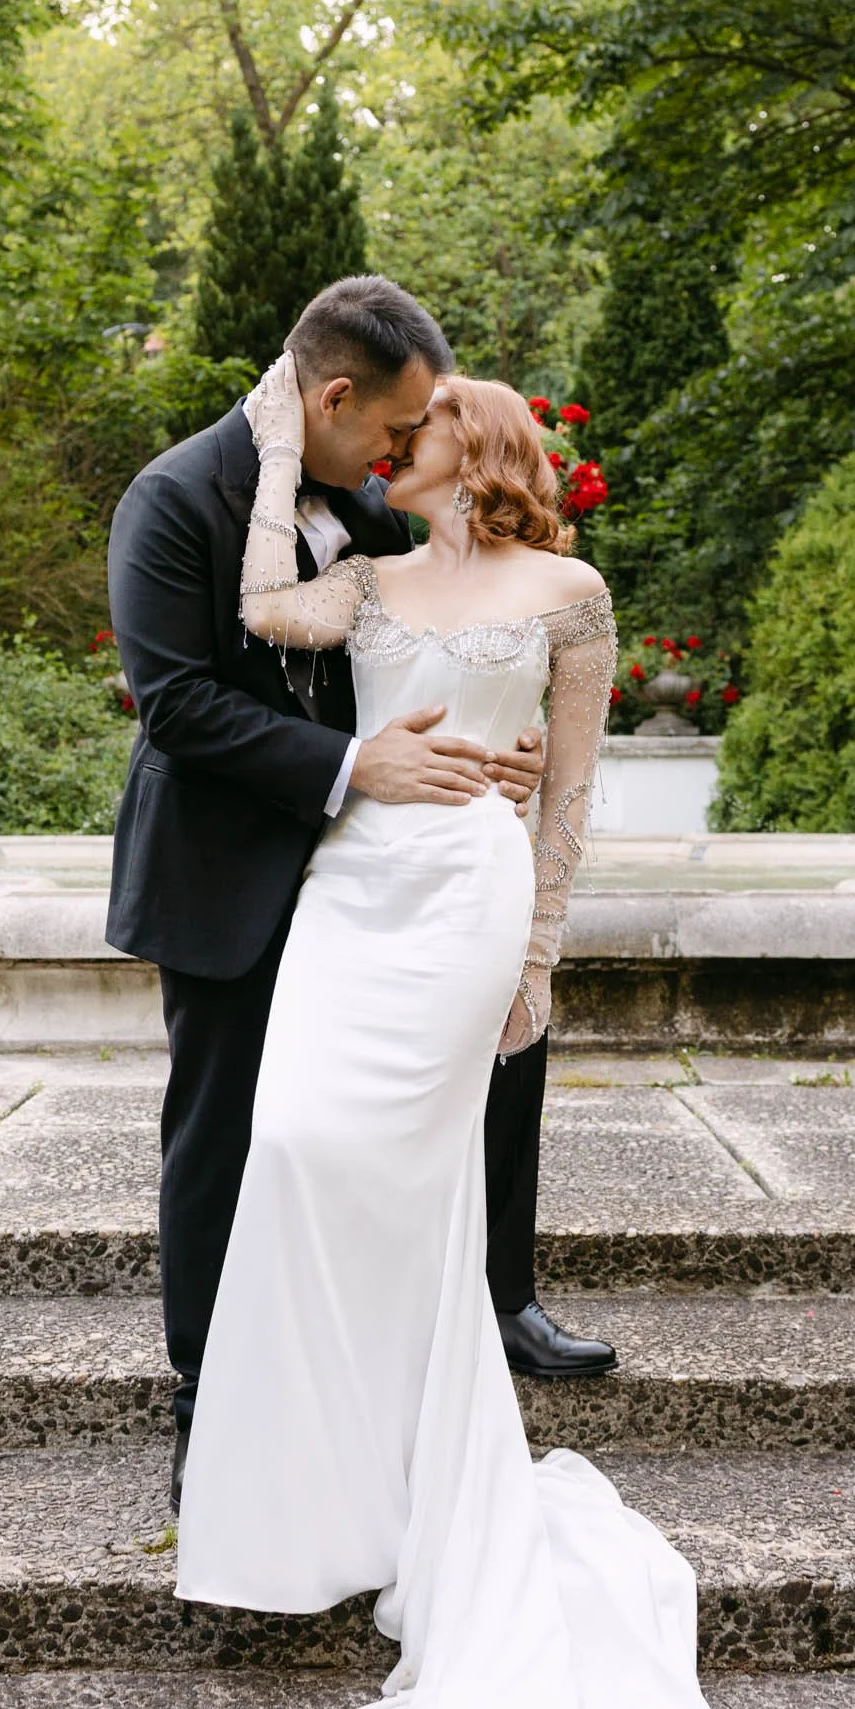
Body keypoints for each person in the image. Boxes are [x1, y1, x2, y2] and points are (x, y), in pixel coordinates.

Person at [175, 354, 731, 1709]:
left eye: (411, 431)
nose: (391, 443)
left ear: (468, 448)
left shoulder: (573, 593)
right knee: (293, 1148)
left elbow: (569, 795)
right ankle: (322, 1495)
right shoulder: (354, 578)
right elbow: (247, 611)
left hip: (468, 901)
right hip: (350, 895)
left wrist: (538, 958)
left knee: (420, 1190)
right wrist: (279, 459)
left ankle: (429, 1498)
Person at [106, 277, 616, 1516]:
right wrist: (356, 765)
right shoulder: (175, 498)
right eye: (391, 431)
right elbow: (178, 703)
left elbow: (418, 641)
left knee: (471, 1081)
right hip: (234, 870)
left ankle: (466, 1320)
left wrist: (506, 744)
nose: (401, 452)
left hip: (393, 861)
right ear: (328, 400)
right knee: (235, 1135)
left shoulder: (370, 513)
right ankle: (205, 1400)